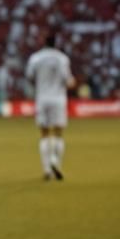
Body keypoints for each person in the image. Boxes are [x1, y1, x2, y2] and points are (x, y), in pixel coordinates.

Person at [24, 32, 74, 181]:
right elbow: (68, 80)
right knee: (58, 133)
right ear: (56, 43)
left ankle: (46, 169)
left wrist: (41, 83)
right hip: (58, 99)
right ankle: (55, 161)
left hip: (42, 98)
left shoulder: (35, 58)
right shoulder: (63, 58)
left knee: (44, 134)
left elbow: (30, 77)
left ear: (43, 42)